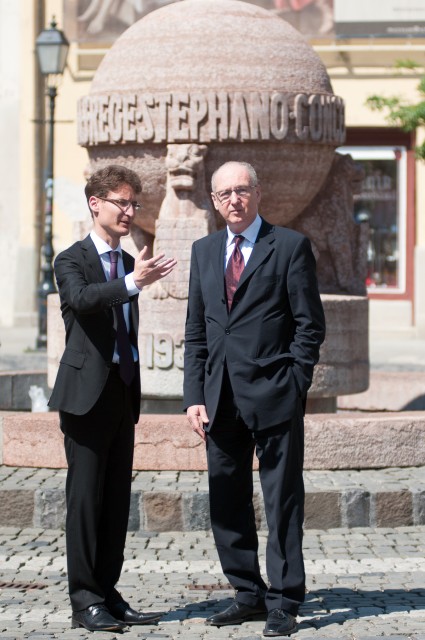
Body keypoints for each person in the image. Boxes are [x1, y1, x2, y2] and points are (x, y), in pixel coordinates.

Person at [183, 161, 325, 637]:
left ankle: (284, 599)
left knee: (282, 500)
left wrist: (295, 381)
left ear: (258, 193)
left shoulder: (288, 246)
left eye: (242, 190)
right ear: (214, 200)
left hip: (274, 392)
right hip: (219, 398)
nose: (234, 200)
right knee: (226, 500)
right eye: (224, 194)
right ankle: (247, 593)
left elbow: (309, 325)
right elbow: (197, 331)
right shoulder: (204, 251)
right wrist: (193, 395)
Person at [49, 164, 176, 632]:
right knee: (86, 501)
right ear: (95, 203)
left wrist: (132, 279)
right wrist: (132, 284)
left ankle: (107, 591)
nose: (129, 211)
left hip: (122, 392)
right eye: (121, 202)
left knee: (117, 500)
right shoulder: (71, 259)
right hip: (85, 397)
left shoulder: (127, 262)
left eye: (133, 204)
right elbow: (83, 300)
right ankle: (84, 600)